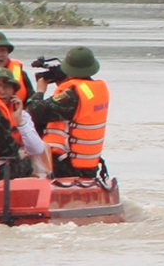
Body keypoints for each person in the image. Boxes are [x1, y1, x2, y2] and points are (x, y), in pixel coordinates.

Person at [30, 46, 111, 180]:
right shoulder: (97, 89)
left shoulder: (72, 95)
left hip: (66, 166)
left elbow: (34, 112)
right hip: (89, 166)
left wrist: (40, 91)